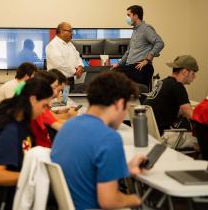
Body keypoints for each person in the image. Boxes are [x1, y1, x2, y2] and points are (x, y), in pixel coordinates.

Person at [51, 72, 145, 210]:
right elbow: (109, 201)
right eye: (126, 108)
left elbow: (85, 169)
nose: (124, 114)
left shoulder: (68, 127)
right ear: (119, 104)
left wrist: (126, 168)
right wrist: (137, 199)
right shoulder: (109, 138)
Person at [0, 78, 53, 210]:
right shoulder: (10, 130)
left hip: (17, 187)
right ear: (32, 100)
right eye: (44, 105)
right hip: (12, 194)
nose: (44, 111)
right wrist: (35, 176)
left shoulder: (18, 119)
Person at [111, 5, 164, 88]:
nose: (127, 18)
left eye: (128, 15)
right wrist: (119, 63)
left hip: (141, 68)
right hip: (132, 67)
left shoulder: (146, 28)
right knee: (130, 96)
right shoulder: (135, 30)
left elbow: (159, 43)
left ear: (135, 16)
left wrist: (147, 59)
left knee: (138, 96)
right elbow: (129, 51)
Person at [144, 55, 198, 135]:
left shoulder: (162, 82)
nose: (194, 77)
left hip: (148, 133)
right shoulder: (177, 86)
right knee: (198, 139)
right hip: (163, 135)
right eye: (193, 73)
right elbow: (189, 114)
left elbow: (166, 108)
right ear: (185, 72)